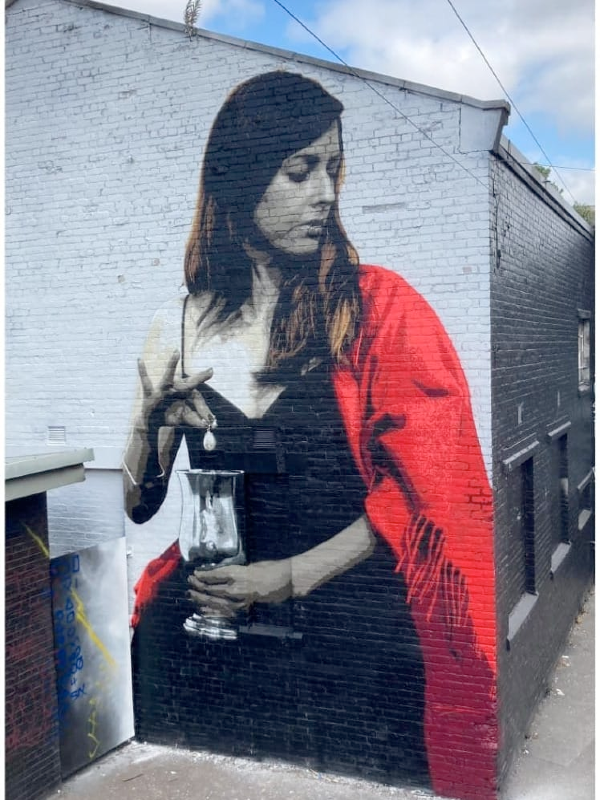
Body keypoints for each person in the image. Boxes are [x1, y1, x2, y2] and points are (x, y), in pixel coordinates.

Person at [123, 71, 497, 800]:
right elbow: (139, 506)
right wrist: (150, 420)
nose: (325, 193)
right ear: (240, 178)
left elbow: (426, 493)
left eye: (332, 167)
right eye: (300, 170)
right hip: (206, 639)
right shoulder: (178, 326)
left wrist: (287, 578)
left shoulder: (380, 311)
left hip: (351, 646)